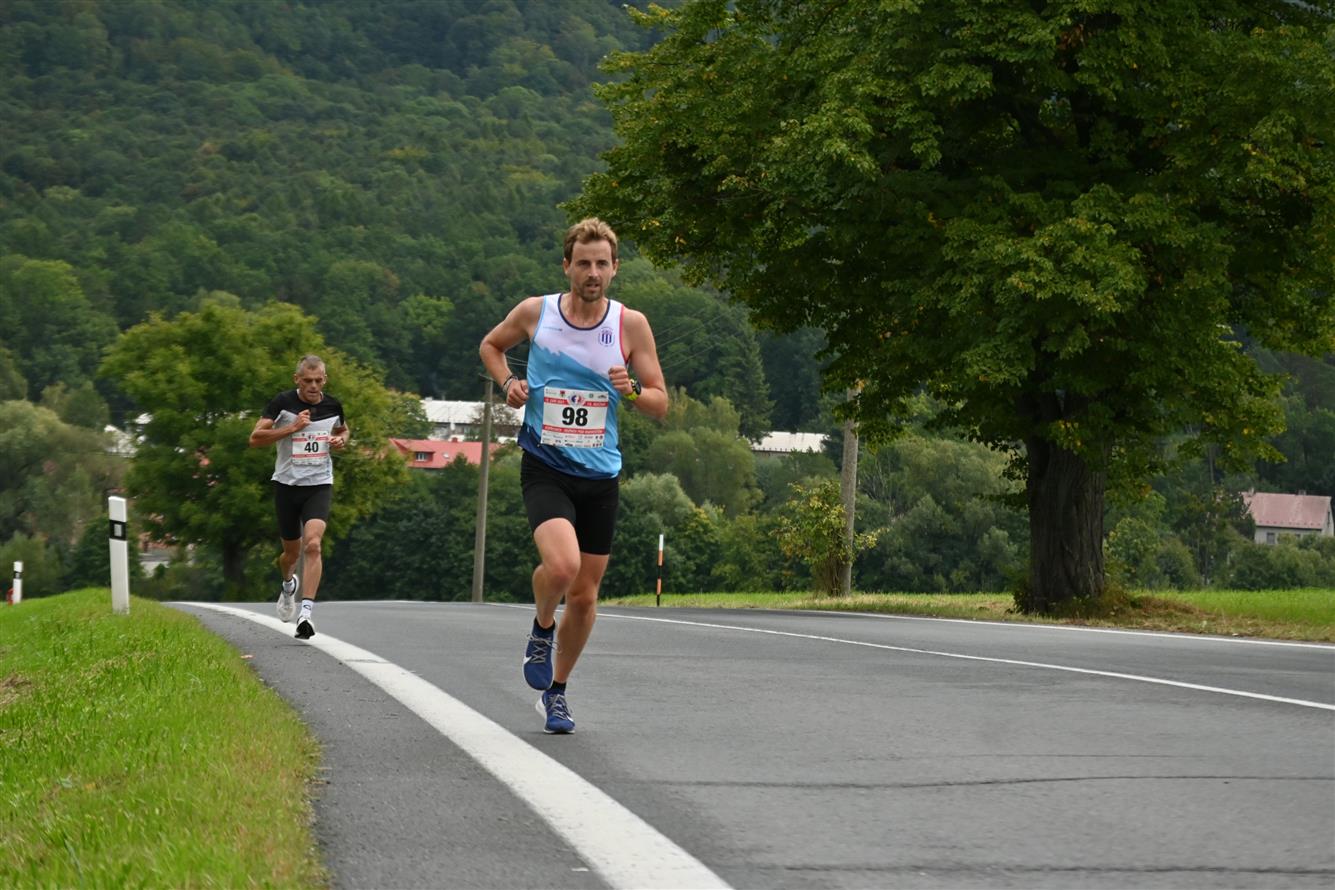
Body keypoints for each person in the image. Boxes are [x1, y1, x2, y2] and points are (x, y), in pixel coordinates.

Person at [479, 218, 667, 733]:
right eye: (583, 263)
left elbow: (659, 402)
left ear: (615, 268)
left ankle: (556, 693)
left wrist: (631, 390)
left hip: (600, 475)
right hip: (546, 465)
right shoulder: (536, 313)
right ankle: (542, 628)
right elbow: (491, 346)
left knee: (584, 596)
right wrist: (509, 383)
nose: (592, 272)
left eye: (602, 263)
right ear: (566, 266)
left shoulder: (630, 325)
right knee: (561, 567)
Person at [248, 355, 349, 641]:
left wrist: (341, 440)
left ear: (325, 380)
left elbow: (343, 429)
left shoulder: (333, 406)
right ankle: (287, 584)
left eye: (318, 381)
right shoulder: (282, 403)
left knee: (313, 544)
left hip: (319, 484)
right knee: (289, 555)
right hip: (287, 486)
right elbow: (255, 438)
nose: (313, 386)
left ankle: (305, 614)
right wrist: (292, 428)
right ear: (297, 380)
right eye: (307, 381)